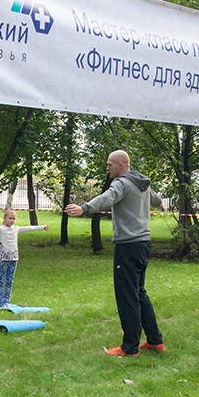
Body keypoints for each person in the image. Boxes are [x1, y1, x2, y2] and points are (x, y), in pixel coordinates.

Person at [63, 150, 165, 357]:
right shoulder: (141, 183)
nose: (107, 168)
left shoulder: (122, 183)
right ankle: (155, 341)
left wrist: (84, 208)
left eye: (110, 165)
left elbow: (107, 198)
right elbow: (158, 200)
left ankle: (130, 347)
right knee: (139, 292)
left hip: (128, 247)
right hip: (144, 244)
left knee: (128, 296)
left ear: (121, 165)